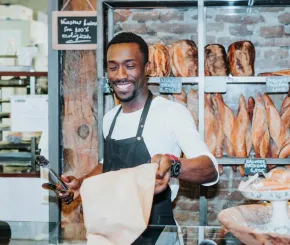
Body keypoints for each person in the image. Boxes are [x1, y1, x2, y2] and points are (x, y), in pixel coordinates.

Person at [59, 32, 219, 244]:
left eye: (130, 65)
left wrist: (173, 165)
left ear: (148, 68)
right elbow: (109, 164)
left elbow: (210, 169)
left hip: (157, 234)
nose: (120, 74)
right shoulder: (110, 118)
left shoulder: (170, 112)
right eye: (113, 67)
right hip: (115, 232)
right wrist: (82, 184)